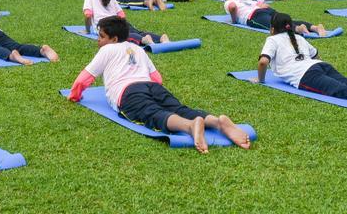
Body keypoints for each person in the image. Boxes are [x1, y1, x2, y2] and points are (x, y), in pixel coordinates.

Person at [68, 16, 251, 153]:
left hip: (128, 93)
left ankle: (189, 126)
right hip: (152, 87)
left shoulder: (107, 49)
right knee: (180, 108)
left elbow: (85, 78)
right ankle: (217, 122)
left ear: (114, 39)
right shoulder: (139, 49)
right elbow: (157, 78)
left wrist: (74, 95)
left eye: (101, 36)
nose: (98, 40)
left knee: (154, 114)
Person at [250, 12, 347, 108]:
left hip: (305, 75)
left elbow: (263, 62)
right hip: (320, 65)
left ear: (272, 29)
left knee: (339, 90)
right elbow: (315, 55)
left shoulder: (272, 40)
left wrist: (260, 79)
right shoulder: (298, 37)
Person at [83, 0, 168, 46]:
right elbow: (121, 14)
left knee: (123, 36)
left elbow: (88, 15)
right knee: (139, 32)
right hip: (119, 21)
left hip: (106, 25)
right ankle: (161, 38)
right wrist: (123, 25)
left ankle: (144, 40)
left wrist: (87, 30)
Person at [223, 0, 329, 36]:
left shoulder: (230, 2)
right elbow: (263, 4)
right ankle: (315, 27)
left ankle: (298, 29)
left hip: (254, 16)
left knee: (276, 27)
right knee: (285, 21)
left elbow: (232, 7)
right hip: (265, 9)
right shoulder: (246, 0)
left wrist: (233, 21)